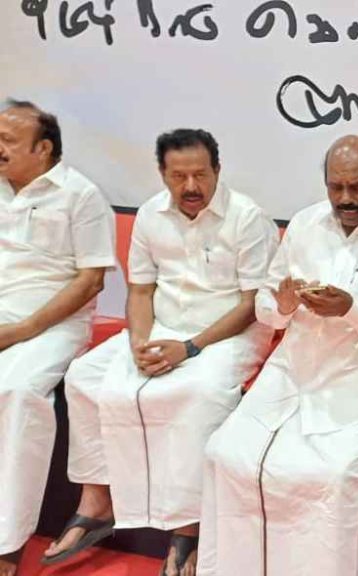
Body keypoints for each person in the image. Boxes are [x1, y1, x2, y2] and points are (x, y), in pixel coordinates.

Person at [197, 135, 358, 575]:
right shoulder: (305, 224)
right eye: (335, 187)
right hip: (292, 371)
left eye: (357, 187)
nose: (345, 199)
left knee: (333, 477)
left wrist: (352, 309)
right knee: (224, 454)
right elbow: (267, 307)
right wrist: (285, 305)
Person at [46, 129, 278, 575]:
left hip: (228, 333)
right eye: (179, 176)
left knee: (200, 394)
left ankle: (189, 528)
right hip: (162, 327)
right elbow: (140, 291)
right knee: (84, 376)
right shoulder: (152, 214)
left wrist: (188, 348)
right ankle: (97, 501)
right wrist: (139, 343)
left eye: (200, 175)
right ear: (162, 173)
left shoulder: (248, 219)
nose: (191, 186)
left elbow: (252, 304)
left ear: (217, 170)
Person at [0, 99, 116, 576]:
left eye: (7, 140)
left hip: (51, 322)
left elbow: (91, 280)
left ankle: (7, 543)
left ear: (43, 148)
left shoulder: (80, 195)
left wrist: (22, 330)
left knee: (19, 392)